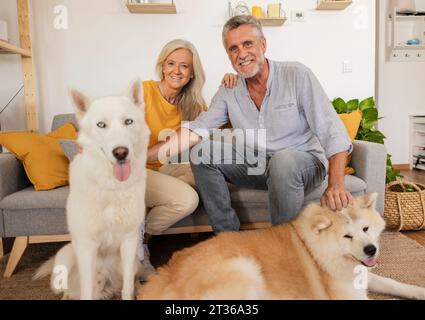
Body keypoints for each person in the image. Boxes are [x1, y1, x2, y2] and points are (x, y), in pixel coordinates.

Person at [148, 15, 353, 234]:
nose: (242, 54)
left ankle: (282, 243)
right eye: (233, 49)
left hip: (303, 163)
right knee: (202, 151)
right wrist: (143, 156)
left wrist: (337, 183)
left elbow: (332, 130)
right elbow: (198, 128)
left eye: (248, 44)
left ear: (263, 44)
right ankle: (228, 238)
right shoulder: (230, 89)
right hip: (259, 165)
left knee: (283, 160)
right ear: (229, 55)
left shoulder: (296, 75)